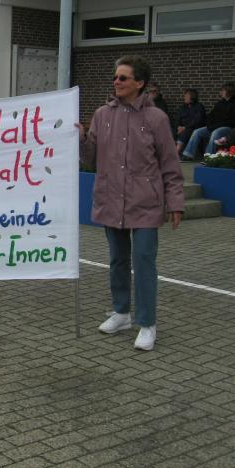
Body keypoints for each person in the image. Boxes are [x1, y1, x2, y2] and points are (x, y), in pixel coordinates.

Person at [78, 55, 184, 351]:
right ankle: (121, 312)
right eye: (115, 77)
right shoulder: (102, 114)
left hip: (146, 202)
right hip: (111, 199)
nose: (117, 81)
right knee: (117, 260)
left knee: (144, 261)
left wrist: (175, 202)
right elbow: (90, 159)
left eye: (123, 77)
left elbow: (169, 163)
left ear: (140, 83)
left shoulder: (156, 118)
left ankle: (147, 323)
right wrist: (82, 138)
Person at [181, 82, 235, 161]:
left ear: (229, 91)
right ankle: (188, 155)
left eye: (223, 90)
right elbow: (211, 116)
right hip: (214, 127)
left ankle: (208, 157)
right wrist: (209, 124)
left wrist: (215, 126)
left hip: (227, 129)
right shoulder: (220, 103)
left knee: (215, 132)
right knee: (197, 132)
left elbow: (232, 122)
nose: (221, 92)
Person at [174, 88, 206, 154]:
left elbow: (197, 120)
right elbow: (177, 118)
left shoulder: (199, 107)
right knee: (171, 131)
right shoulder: (183, 107)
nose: (184, 98)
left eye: (186, 96)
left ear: (192, 96)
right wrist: (178, 126)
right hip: (181, 127)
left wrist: (185, 127)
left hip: (193, 127)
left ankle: (176, 152)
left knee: (186, 131)